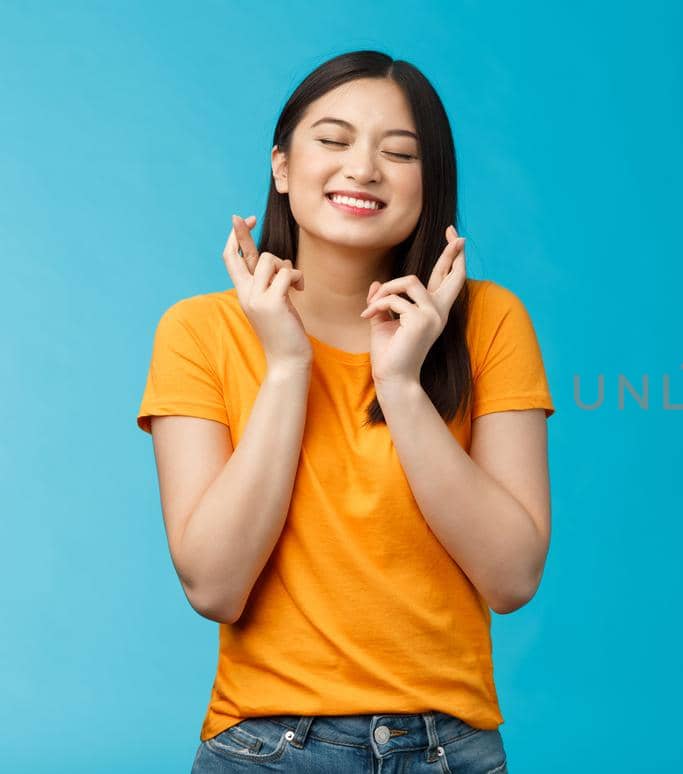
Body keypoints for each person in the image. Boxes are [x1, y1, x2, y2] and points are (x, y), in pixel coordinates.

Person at [135, 50, 552, 773]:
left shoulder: (488, 321)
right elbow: (215, 584)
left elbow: (512, 579)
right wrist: (288, 364)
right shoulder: (199, 331)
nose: (364, 168)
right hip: (264, 749)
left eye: (399, 152)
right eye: (333, 140)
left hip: (448, 750)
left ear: (432, 184)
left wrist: (401, 386)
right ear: (283, 167)